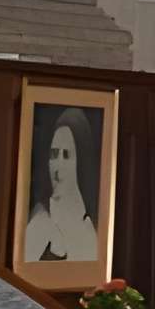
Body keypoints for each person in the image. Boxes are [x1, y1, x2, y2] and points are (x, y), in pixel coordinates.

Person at [21, 112, 98, 267]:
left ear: (81, 162)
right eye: (54, 155)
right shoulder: (40, 218)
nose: (57, 166)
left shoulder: (88, 231)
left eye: (66, 155)